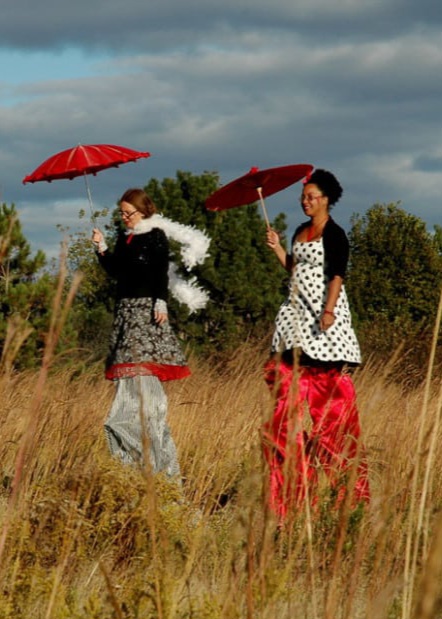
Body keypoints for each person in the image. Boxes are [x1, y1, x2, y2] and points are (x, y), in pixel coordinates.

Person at [263, 169, 370, 519]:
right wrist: (279, 248)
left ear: (326, 199)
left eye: (311, 196)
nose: (305, 201)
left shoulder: (335, 234)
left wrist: (328, 311)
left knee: (329, 395)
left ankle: (346, 496)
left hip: (322, 313)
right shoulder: (300, 231)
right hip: (296, 313)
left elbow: (336, 275)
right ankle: (290, 496)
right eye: (303, 196)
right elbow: (294, 269)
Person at [92, 188, 191, 478]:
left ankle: (156, 470)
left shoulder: (154, 234)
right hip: (125, 311)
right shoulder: (125, 238)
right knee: (128, 375)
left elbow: (160, 270)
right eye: (121, 213)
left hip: (146, 310)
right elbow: (116, 270)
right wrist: (102, 248)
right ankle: (137, 467)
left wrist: (161, 300)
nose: (125, 218)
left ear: (144, 211)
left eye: (129, 213)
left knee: (142, 375)